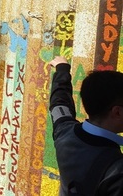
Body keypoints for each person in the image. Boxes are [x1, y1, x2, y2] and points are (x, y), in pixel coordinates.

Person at [49, 56, 123, 195]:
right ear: (117, 112)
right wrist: (62, 69)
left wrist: (62, 69)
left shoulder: (64, 132)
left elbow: (59, 103)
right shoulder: (117, 170)